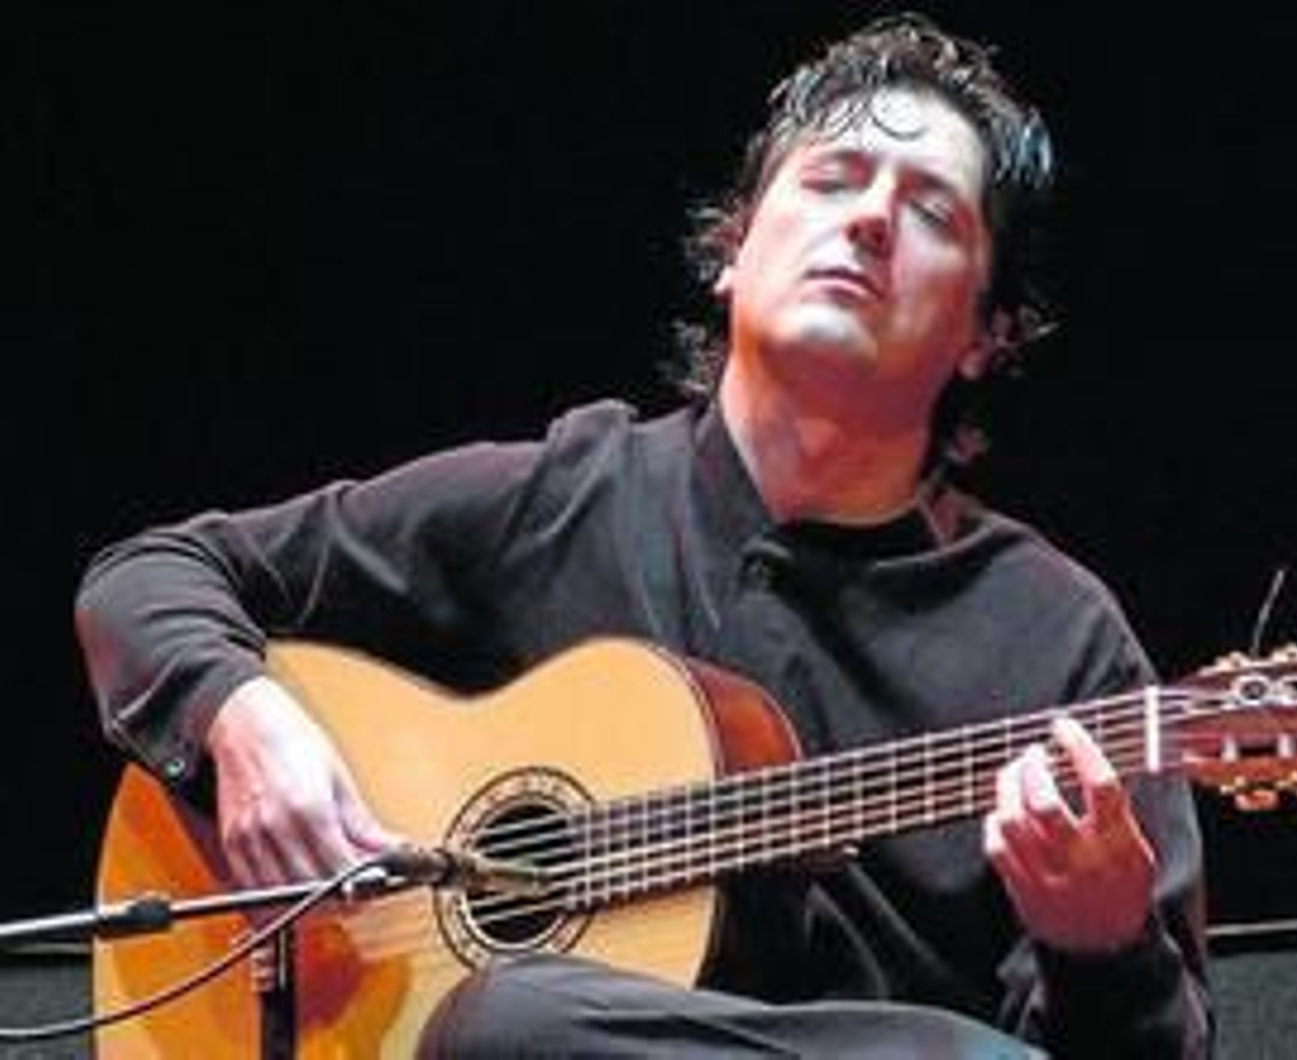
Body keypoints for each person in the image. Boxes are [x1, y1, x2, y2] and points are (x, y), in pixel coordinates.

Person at [76, 12, 1211, 1056]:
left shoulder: (1057, 637)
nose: (869, 219)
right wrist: (243, 720)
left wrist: (1105, 947)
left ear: (985, 334)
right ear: (731, 253)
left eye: (930, 213)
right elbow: (151, 575)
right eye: (831, 179)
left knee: (518, 1021)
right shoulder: (564, 497)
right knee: (514, 1021)